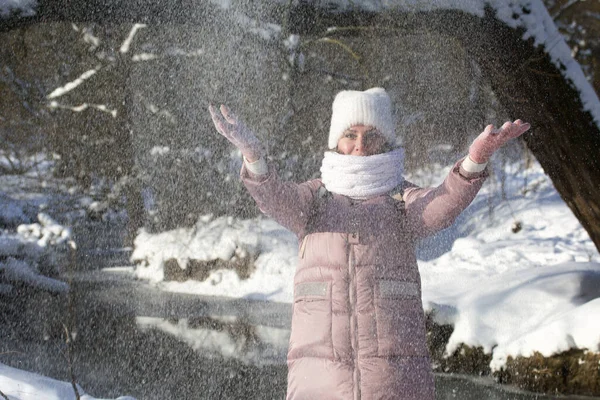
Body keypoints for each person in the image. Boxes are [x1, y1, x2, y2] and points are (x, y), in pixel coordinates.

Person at [209, 88, 530, 400]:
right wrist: (253, 156)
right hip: (318, 384)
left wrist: (474, 161)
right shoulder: (314, 201)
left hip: (394, 384)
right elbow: (274, 197)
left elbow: (440, 207)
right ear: (336, 142)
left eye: (371, 135)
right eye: (350, 134)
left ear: (385, 141)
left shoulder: (401, 200)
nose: (359, 144)